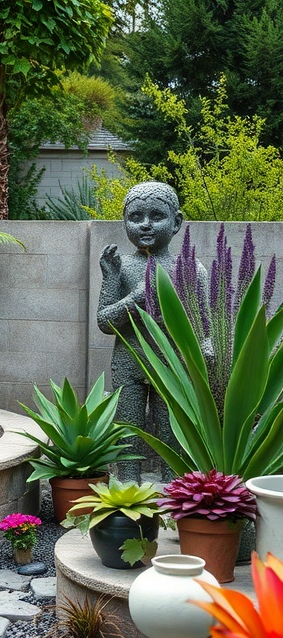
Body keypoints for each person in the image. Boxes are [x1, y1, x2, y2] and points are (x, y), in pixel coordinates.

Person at [97, 181, 201, 482]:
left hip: (172, 365)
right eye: (136, 217)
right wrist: (134, 299)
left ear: (177, 222)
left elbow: (203, 323)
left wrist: (206, 347)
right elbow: (105, 322)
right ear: (124, 222)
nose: (145, 225)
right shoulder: (120, 266)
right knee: (129, 427)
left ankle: (173, 487)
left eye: (157, 216)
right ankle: (129, 484)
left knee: (172, 430)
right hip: (128, 363)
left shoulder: (190, 269)